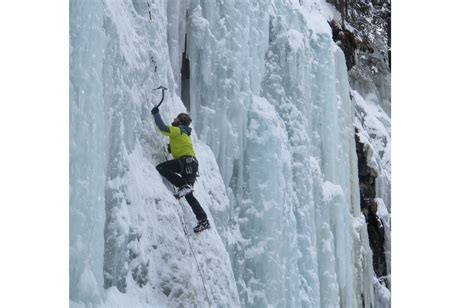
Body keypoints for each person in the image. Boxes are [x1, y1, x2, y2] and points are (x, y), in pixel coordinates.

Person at [151, 106, 210, 233]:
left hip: (186, 162)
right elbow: (179, 146)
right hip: (191, 164)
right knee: (189, 195)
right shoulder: (184, 133)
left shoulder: (178, 130)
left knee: (161, 167)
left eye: (176, 118)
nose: (174, 119)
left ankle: (184, 186)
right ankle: (203, 220)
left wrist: (156, 114)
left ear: (180, 121)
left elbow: (162, 128)